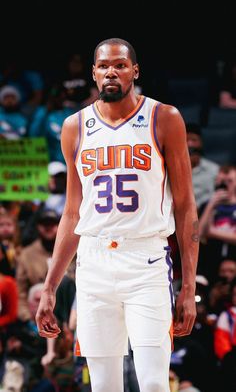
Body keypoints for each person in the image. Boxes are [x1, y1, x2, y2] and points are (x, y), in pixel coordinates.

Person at [36, 38, 199, 392]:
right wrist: (50, 286)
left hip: (146, 260)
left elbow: (186, 207)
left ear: (134, 71)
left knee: (155, 383)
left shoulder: (164, 117)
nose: (112, 71)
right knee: (104, 386)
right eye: (104, 65)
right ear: (94, 73)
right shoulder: (74, 127)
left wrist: (188, 286)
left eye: (121, 65)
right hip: (93, 263)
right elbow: (71, 213)